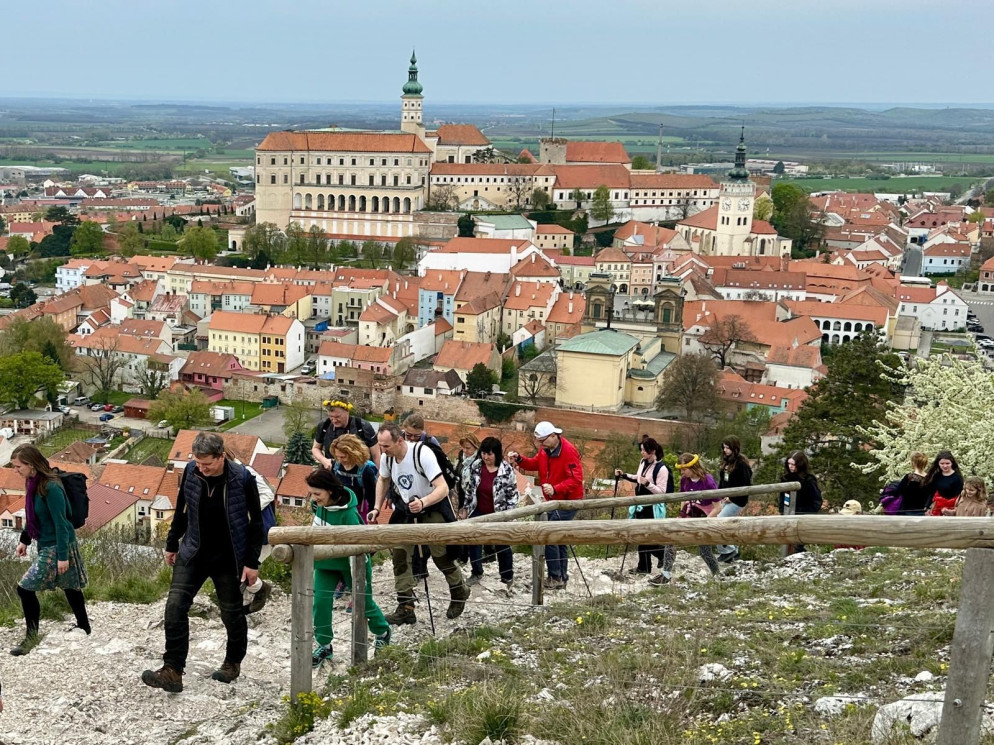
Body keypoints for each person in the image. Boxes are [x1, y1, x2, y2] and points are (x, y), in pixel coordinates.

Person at [142, 432, 263, 693]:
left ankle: (232, 663)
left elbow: (256, 522)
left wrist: (252, 562)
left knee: (231, 613)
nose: (202, 468)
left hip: (229, 557)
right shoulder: (190, 472)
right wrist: (172, 544)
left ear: (221, 457)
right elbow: (181, 510)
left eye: (207, 464)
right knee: (174, 607)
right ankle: (172, 670)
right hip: (194, 551)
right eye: (198, 462)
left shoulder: (242, 479)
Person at [369, 423, 470, 626]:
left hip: (432, 507)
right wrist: (377, 507)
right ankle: (406, 606)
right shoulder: (388, 458)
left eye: (386, 445)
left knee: (441, 556)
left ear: (399, 441)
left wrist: (423, 502)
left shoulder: (422, 454)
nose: (382, 450)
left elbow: (442, 488)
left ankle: (459, 589)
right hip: (406, 509)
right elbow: (383, 480)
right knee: (399, 555)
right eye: (380, 445)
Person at [9, 444, 90, 656]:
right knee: (70, 586)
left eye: (18, 466)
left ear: (31, 464)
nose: (15, 470)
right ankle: (84, 626)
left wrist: (63, 556)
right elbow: (33, 515)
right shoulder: (33, 483)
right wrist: (24, 540)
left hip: (59, 545)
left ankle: (31, 638)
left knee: (25, 588)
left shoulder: (51, 487)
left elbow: (62, 523)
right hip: (46, 543)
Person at [306, 468, 391, 667]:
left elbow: (359, 545)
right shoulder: (318, 505)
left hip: (352, 563)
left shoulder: (349, 514)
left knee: (364, 603)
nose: (314, 498)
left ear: (330, 491)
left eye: (317, 494)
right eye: (311, 493)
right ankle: (324, 645)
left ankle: (382, 631)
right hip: (326, 562)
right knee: (320, 603)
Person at [507, 421, 584, 591]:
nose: (541, 445)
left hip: (568, 500)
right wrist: (520, 459)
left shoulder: (568, 451)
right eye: (539, 441)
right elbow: (535, 464)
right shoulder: (546, 450)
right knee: (559, 538)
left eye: (543, 441)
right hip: (553, 500)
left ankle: (555, 576)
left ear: (553, 436)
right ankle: (561, 577)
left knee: (549, 534)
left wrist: (556, 488)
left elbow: (576, 479)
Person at [651, 453, 720, 585]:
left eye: (684, 469)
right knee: (671, 540)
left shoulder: (708, 480)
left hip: (705, 517)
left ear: (693, 467)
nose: (682, 472)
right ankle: (666, 574)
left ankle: (717, 575)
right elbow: (684, 499)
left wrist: (705, 522)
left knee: (705, 551)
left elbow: (718, 507)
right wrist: (682, 514)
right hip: (689, 513)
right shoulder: (684, 480)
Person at [464, 437, 519, 591]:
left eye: (489, 454)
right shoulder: (476, 466)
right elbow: (470, 488)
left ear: (497, 454)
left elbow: (512, 495)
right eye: (483, 453)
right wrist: (466, 507)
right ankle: (476, 571)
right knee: (474, 541)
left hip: (499, 512)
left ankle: (506, 575)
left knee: (502, 544)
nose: (486, 457)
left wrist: (509, 515)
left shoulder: (506, 470)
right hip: (478, 509)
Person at [615, 437, 668, 575]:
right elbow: (638, 478)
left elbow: (662, 492)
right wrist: (624, 475)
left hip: (651, 507)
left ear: (652, 451)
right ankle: (644, 566)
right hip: (640, 505)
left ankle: (661, 554)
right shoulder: (643, 462)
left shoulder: (662, 469)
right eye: (641, 450)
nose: (642, 452)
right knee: (640, 536)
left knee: (645, 537)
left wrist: (648, 484)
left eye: (644, 450)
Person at [713, 436, 753, 564]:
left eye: (728, 448)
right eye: (724, 447)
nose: (725, 450)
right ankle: (734, 550)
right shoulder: (726, 462)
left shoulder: (741, 464)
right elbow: (723, 481)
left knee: (720, 522)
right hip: (725, 499)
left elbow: (745, 484)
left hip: (737, 500)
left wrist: (732, 497)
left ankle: (727, 550)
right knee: (728, 524)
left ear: (734, 448)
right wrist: (720, 495)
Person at [312, 400, 379, 470]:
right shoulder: (324, 425)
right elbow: (315, 448)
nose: (334, 420)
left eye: (337, 417)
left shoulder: (362, 426)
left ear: (347, 412)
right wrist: (324, 460)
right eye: (331, 416)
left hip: (360, 472)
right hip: (333, 471)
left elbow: (376, 455)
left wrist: (379, 474)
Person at [779, 451, 822, 554]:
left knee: (797, 546)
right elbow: (782, 499)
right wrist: (782, 511)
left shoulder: (809, 480)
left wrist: (803, 512)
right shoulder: (785, 479)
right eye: (789, 464)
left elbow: (816, 501)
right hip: (787, 516)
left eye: (793, 464)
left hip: (803, 517)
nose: (790, 467)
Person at [330, 434, 378, 522]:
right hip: (339, 508)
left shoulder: (365, 471)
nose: (340, 460)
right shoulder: (336, 466)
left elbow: (372, 496)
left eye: (343, 457)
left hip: (358, 510)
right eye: (337, 457)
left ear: (353, 454)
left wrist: (371, 515)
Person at [453, 434, 481, 566]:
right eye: (463, 448)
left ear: (475, 447)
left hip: (476, 497)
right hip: (462, 494)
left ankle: (479, 558)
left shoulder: (479, 461)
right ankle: (462, 556)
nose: (465, 451)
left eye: (468, 448)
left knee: (474, 527)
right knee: (462, 525)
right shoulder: (461, 458)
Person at [925, 450, 964, 516]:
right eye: (942, 464)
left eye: (947, 463)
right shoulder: (936, 476)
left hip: (952, 509)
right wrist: (927, 507)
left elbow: (960, 496)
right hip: (938, 508)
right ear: (938, 464)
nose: (945, 466)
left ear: (952, 463)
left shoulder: (957, 478)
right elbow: (932, 493)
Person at [892, 452, 931, 516]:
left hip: (906, 513)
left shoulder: (909, 477)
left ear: (913, 463)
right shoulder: (930, 479)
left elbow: (896, 493)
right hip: (922, 513)